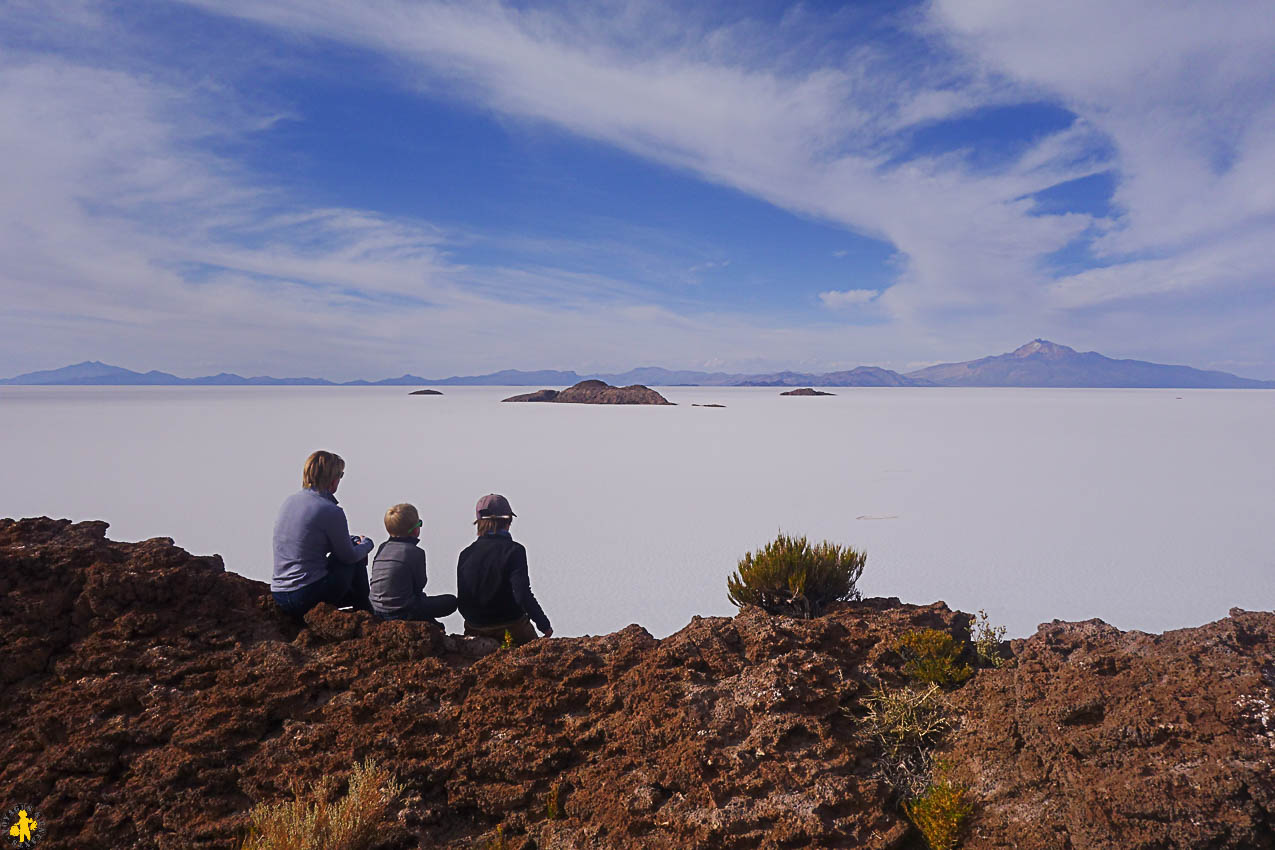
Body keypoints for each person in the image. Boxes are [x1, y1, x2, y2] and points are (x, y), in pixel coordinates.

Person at [271, 450, 375, 618]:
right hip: (305, 596)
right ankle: (365, 611)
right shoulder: (331, 510)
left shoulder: (290, 501)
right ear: (333, 479)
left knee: (351, 550)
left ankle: (363, 607)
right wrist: (367, 544)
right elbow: (348, 556)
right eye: (340, 475)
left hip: (280, 595)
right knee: (355, 554)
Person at [456, 493, 552, 645]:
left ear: (479, 523)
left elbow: (464, 597)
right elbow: (522, 594)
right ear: (508, 521)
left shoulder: (465, 554)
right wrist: (544, 625)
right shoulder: (515, 551)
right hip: (511, 625)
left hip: (474, 627)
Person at [369, 503, 458, 623]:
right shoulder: (415, 552)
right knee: (451, 602)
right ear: (416, 529)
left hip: (377, 610)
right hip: (403, 611)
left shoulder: (382, 547)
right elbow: (420, 584)